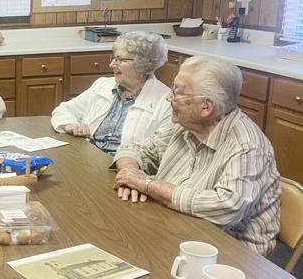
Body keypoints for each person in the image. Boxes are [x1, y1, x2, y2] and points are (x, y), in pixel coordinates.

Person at [113, 55, 280, 256]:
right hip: (174, 226)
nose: (168, 98)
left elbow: (227, 206)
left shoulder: (247, 145)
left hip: (230, 252)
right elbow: (136, 149)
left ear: (206, 107)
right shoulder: (186, 126)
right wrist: (130, 173)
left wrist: (149, 185)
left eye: (177, 92)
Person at [51, 31, 172, 155]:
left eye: (120, 60)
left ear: (143, 64)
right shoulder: (102, 85)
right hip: (86, 156)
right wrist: (71, 125)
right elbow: (64, 110)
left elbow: (160, 151)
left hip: (124, 164)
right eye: (113, 58)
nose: (111, 65)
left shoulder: (166, 101)